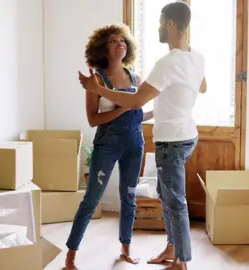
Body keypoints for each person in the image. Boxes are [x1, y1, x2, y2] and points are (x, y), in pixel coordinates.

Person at [78, 2, 206, 270]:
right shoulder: (196, 57)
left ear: (170, 24)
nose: (160, 28)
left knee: (175, 200)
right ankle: (172, 249)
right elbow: (202, 86)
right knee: (166, 193)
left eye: (161, 23)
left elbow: (135, 101)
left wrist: (97, 89)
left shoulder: (167, 63)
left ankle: (182, 262)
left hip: (172, 140)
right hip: (187, 135)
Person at [64, 23, 153, 270]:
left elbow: (138, 115)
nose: (120, 44)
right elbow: (93, 120)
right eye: (114, 41)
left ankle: (126, 248)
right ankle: (70, 255)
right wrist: (126, 106)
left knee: (129, 197)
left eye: (123, 40)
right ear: (103, 47)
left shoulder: (135, 78)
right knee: (92, 199)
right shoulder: (96, 80)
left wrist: (161, 111)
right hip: (107, 144)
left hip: (135, 143)